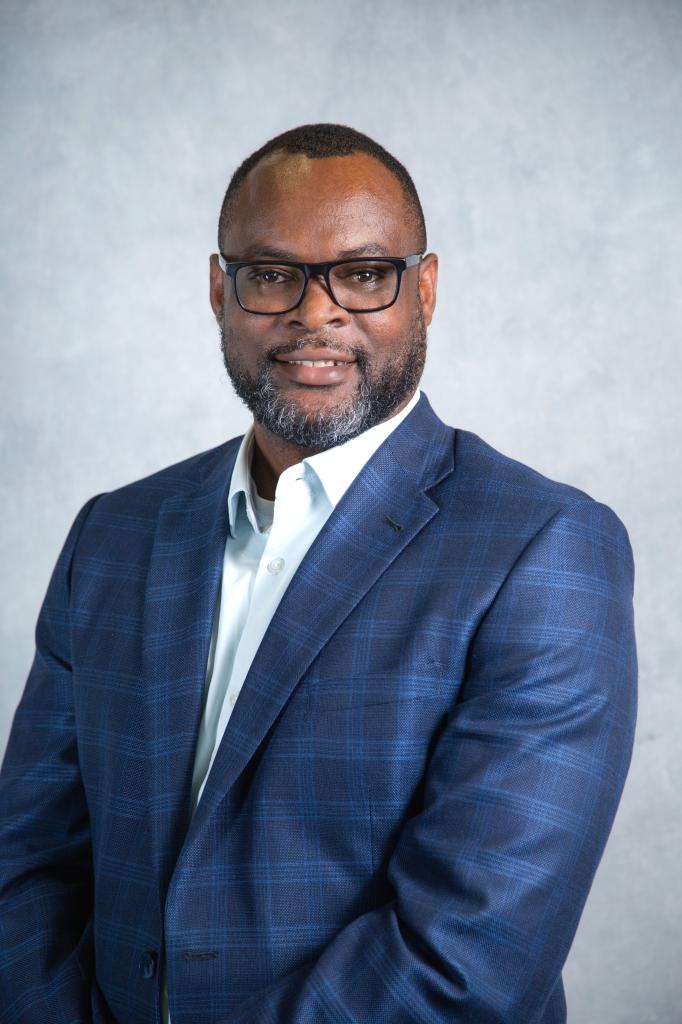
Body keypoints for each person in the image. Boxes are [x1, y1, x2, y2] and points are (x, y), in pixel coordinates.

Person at [0, 123, 637, 1024]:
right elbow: (26, 864)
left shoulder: (544, 549)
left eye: (364, 274)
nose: (316, 313)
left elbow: (468, 958)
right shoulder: (114, 536)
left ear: (424, 289)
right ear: (220, 291)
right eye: (272, 274)